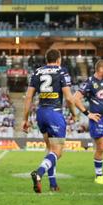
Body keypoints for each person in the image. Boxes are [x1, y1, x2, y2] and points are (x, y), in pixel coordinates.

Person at [22, 49, 77, 193]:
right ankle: (39, 173)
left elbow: (28, 97)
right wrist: (74, 114)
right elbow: (69, 98)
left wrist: (25, 119)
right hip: (54, 113)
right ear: (59, 59)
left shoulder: (37, 72)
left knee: (50, 150)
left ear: (47, 59)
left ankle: (53, 184)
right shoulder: (62, 71)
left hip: (40, 113)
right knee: (58, 152)